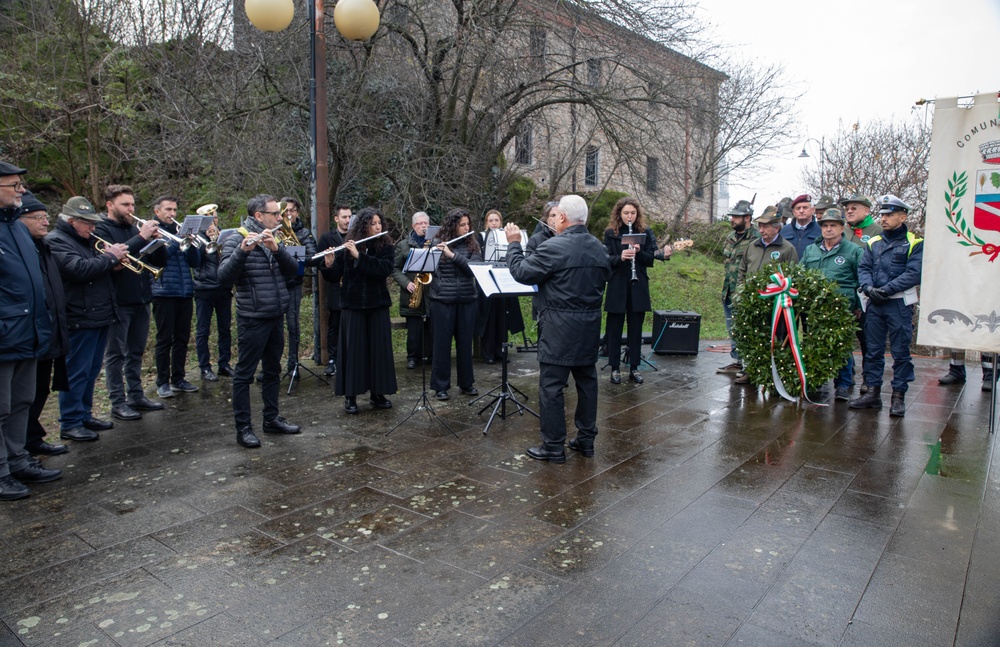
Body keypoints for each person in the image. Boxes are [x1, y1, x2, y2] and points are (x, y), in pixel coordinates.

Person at [503, 194, 611, 462]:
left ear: (562, 217)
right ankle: (586, 441)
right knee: (587, 383)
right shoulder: (599, 247)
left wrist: (514, 245)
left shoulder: (555, 247)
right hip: (588, 326)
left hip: (559, 328)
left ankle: (553, 446)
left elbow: (521, 272)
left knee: (551, 386)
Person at [217, 194, 301, 448]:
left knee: (272, 370)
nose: (280, 217)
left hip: (276, 314)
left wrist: (277, 249)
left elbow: (294, 271)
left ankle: (271, 419)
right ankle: (243, 428)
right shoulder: (235, 239)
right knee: (244, 374)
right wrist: (243, 251)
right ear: (259, 216)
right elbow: (223, 277)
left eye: (279, 214)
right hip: (252, 318)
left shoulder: (275, 237)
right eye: (275, 214)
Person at [0, 163, 60, 499]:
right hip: (5, 334)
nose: (22, 190)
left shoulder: (17, 228)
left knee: (22, 400)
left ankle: (18, 459)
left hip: (28, 332)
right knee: (1, 406)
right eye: (15, 185)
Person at [47, 196, 128, 443]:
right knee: (76, 372)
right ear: (72, 221)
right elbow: (78, 270)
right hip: (78, 316)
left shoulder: (84, 239)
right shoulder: (57, 241)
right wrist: (110, 258)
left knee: (92, 371)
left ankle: (84, 414)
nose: (93, 228)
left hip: (98, 314)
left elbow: (94, 270)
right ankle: (70, 422)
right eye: (87, 224)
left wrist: (112, 267)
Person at [95, 185, 166, 420]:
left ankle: (136, 395)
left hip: (142, 297)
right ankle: (117, 401)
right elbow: (118, 255)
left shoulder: (133, 229)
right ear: (110, 205)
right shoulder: (102, 229)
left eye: (133, 204)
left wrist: (157, 242)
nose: (131, 209)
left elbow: (157, 261)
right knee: (116, 354)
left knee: (136, 351)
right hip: (118, 301)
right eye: (125, 205)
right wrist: (142, 237)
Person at [850, 195, 923, 416]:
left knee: (901, 352)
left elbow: (913, 273)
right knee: (873, 351)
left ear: (902, 216)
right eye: (882, 215)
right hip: (875, 303)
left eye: (889, 215)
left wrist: (886, 290)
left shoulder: (915, 243)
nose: (883, 219)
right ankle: (872, 393)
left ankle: (898, 396)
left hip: (898, 303)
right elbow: (864, 268)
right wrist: (868, 288)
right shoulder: (874, 242)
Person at [322, 207, 398, 414]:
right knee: (353, 351)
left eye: (379, 223)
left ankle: (378, 393)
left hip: (377, 304)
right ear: (363, 225)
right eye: (372, 224)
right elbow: (335, 276)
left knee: (378, 351)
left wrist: (360, 257)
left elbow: (384, 269)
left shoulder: (386, 246)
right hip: (352, 304)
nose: (377, 227)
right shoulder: (349, 246)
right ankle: (351, 396)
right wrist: (329, 264)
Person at [18, 193, 70, 457]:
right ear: (19, 220)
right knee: (24, 396)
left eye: (45, 217)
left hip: (50, 330)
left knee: (40, 390)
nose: (45, 222)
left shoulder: (44, 246)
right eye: (37, 218)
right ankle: (22, 445)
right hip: (30, 333)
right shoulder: (22, 248)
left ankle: (32, 438)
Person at [603, 197, 670, 385]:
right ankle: (614, 367)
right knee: (614, 328)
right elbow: (605, 258)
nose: (629, 216)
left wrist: (639, 252)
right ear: (619, 214)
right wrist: (620, 257)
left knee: (636, 329)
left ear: (637, 214)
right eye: (626, 213)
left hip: (638, 284)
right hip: (617, 285)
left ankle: (634, 368)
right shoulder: (611, 233)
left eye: (633, 213)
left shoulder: (645, 232)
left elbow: (651, 258)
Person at [800, 207, 864, 401]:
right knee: (814, 344)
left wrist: (859, 306)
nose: (828, 229)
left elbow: (862, 280)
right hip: (814, 308)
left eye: (833, 225)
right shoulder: (811, 250)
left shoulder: (854, 251)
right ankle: (816, 379)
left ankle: (843, 385)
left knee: (841, 346)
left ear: (841, 227)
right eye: (825, 225)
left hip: (841, 307)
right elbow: (800, 275)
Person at [735, 205, 798, 385]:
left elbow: (792, 276)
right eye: (759, 226)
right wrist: (741, 291)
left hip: (775, 303)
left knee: (776, 338)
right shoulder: (752, 246)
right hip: (752, 302)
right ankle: (751, 370)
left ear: (776, 227)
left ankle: (775, 373)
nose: (761, 230)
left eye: (765, 226)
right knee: (752, 337)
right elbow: (742, 270)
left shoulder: (787, 249)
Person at [428, 208, 482, 400]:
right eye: (462, 225)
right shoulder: (436, 243)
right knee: (441, 344)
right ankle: (440, 386)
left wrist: (451, 255)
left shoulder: (473, 245)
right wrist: (433, 252)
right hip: (443, 300)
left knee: (465, 343)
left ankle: (466, 383)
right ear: (453, 226)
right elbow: (428, 269)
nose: (466, 228)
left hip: (467, 299)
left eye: (468, 224)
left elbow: (472, 270)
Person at [150, 196, 199, 399]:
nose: (172, 214)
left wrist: (193, 242)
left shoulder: (180, 231)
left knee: (182, 338)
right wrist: (175, 241)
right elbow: (157, 259)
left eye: (175, 209)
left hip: (185, 291)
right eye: (168, 209)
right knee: (164, 339)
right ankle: (162, 381)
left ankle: (178, 377)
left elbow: (195, 262)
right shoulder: (153, 232)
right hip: (163, 292)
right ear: (157, 211)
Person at [840, 193, 883, 394]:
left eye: (854, 207)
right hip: (845, 295)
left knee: (868, 340)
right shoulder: (842, 231)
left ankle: (869, 378)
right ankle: (847, 377)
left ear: (867, 210)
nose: (849, 211)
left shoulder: (877, 231)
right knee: (843, 338)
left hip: (868, 295)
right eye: (847, 208)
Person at [476, 209, 525, 364]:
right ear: (486, 223)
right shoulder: (481, 237)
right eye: (491, 220)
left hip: (504, 281)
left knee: (503, 317)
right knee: (488, 319)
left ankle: (501, 352)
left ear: (501, 222)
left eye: (496, 220)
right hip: (487, 282)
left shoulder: (506, 236)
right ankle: (488, 353)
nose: (494, 223)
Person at [716, 199, 759, 375]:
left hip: (746, 292)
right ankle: (737, 361)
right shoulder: (730, 237)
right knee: (733, 328)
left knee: (747, 329)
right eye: (732, 216)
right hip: (729, 291)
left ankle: (750, 365)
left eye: (736, 216)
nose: (732, 219)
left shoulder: (756, 238)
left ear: (747, 217)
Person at [191, 210, 233, 382]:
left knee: (225, 329)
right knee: (203, 331)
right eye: (208, 218)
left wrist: (218, 242)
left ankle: (224, 364)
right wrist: (206, 242)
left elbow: (229, 259)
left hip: (223, 288)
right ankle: (205, 367)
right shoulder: (196, 238)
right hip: (204, 288)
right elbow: (194, 261)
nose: (212, 221)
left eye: (214, 216)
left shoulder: (224, 235)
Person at [278, 197, 317, 377]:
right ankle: (272, 366)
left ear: (297, 213)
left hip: (293, 284)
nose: (288, 214)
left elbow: (312, 257)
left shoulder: (304, 233)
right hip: (275, 285)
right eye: (285, 211)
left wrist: (293, 252)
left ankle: (293, 365)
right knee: (274, 328)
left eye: (291, 210)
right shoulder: (274, 230)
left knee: (293, 327)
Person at [313, 205, 352, 377]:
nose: (348, 220)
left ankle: (352, 358)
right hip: (336, 288)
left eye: (350, 216)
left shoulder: (356, 237)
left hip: (354, 289)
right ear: (336, 219)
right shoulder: (327, 238)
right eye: (344, 217)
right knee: (335, 325)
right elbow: (319, 263)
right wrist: (329, 263)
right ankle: (333, 360)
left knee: (353, 325)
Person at [392, 211, 433, 370]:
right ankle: (412, 357)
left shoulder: (434, 243)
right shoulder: (403, 245)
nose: (423, 226)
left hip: (431, 292)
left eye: (426, 223)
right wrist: (406, 283)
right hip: (412, 290)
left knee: (430, 328)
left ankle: (429, 355)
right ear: (413, 226)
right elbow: (395, 269)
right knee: (414, 329)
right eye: (419, 223)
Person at [780, 194, 821, 259]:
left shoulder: (821, 230)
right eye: (798, 208)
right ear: (793, 212)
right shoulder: (784, 230)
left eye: (805, 207)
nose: (801, 211)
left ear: (813, 210)